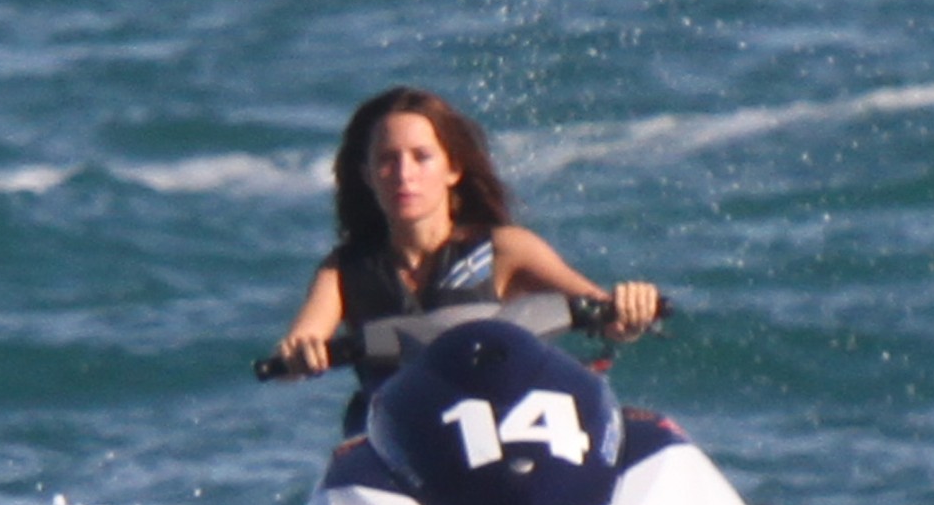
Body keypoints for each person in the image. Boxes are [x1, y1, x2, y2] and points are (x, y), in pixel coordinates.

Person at [271, 84, 661, 376]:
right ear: (368, 176)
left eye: (421, 157)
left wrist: (631, 309)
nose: (404, 174)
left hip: (500, 424)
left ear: (453, 169)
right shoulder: (343, 271)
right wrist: (300, 354)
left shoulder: (505, 249)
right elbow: (302, 342)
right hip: (400, 440)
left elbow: (609, 319)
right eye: (387, 160)